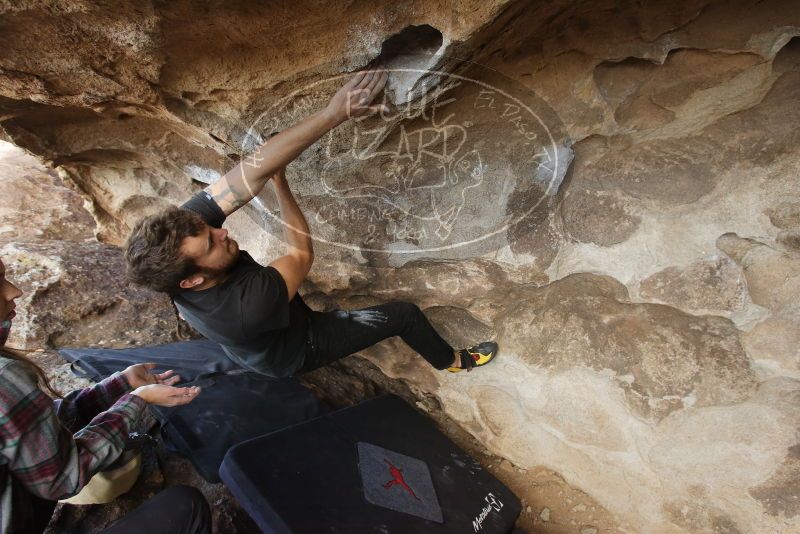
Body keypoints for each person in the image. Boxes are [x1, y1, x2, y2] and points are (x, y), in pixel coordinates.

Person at [125, 68, 498, 379]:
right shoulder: (244, 309)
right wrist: (281, 185)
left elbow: (248, 173)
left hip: (265, 329)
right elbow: (301, 253)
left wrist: (333, 113)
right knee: (404, 315)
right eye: (211, 244)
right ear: (190, 280)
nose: (222, 231)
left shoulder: (179, 244)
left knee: (285, 303)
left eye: (210, 228)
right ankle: (453, 362)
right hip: (297, 349)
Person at [0, 258, 210, 534]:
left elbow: (29, 429)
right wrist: (138, 400)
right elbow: (63, 478)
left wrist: (117, 386)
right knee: (186, 506)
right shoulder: (6, 379)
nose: (15, 290)